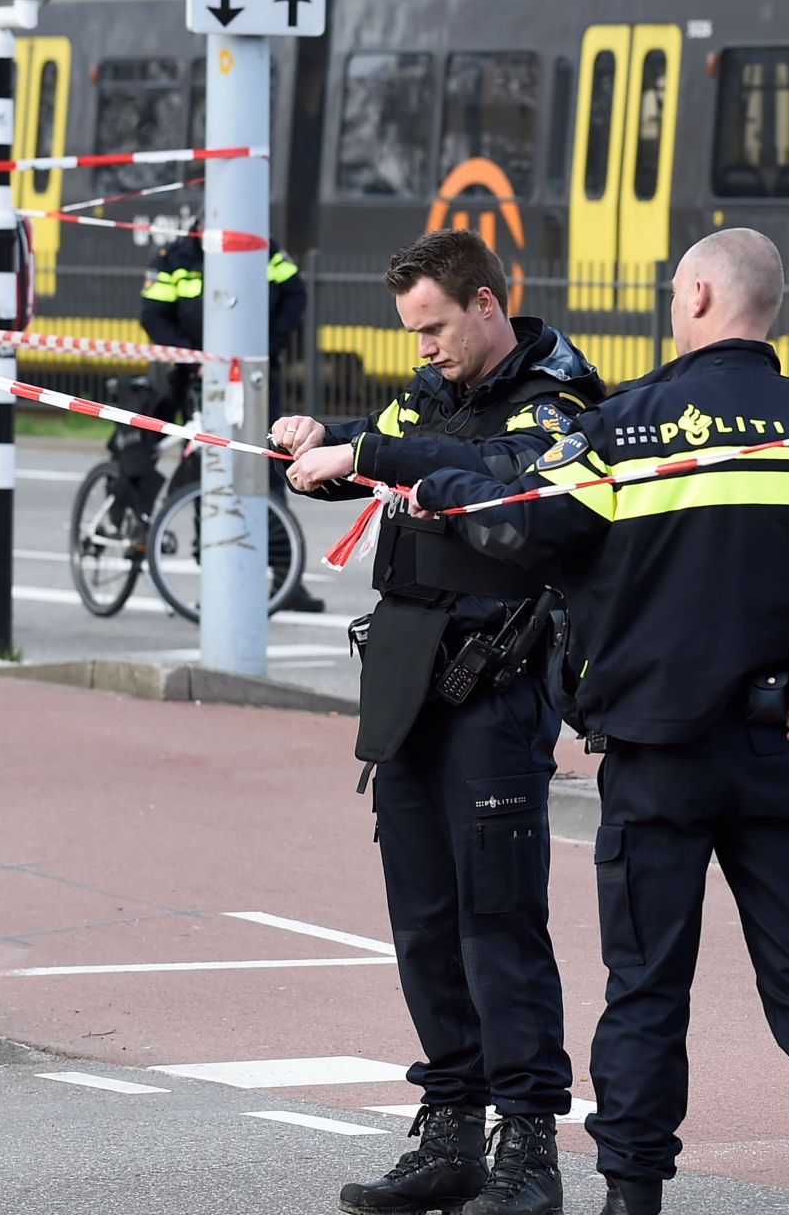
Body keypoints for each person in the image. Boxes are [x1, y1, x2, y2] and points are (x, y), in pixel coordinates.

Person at [412, 228, 789, 1215]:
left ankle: (633, 1195)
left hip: (655, 757)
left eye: (672, 292)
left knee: (647, 986)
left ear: (698, 296)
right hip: (784, 746)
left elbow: (518, 528)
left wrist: (433, 485)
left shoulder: (624, 426)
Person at [274, 229, 604, 1215]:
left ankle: (527, 1147)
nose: (421, 350)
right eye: (411, 334)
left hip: (498, 683)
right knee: (422, 921)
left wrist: (369, 447)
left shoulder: (561, 400)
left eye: (432, 329)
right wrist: (317, 447)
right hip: (412, 680)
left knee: (498, 917)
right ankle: (452, 1130)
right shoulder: (428, 396)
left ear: (488, 306)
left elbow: (504, 481)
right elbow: (387, 451)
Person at [138, 225, 325, 612]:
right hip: (196, 381)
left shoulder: (262, 248)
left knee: (270, 469)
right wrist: (196, 358)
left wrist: (266, 348)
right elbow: (153, 315)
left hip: (256, 380)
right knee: (209, 476)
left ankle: (285, 577)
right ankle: (218, 580)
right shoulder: (176, 258)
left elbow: (294, 295)